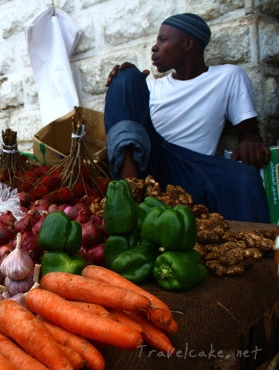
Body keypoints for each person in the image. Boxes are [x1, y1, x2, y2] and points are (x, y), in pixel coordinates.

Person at [104, 13, 270, 223]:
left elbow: (249, 133)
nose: (154, 47)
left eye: (162, 40)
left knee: (245, 178)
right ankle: (128, 190)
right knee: (126, 75)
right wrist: (129, 87)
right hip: (148, 163)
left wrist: (250, 142)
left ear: (188, 43)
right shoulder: (152, 86)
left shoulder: (228, 76)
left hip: (192, 170)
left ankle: (261, 248)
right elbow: (132, 128)